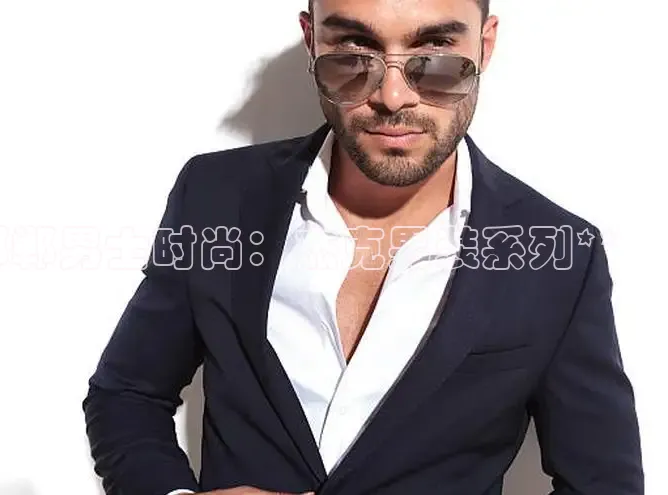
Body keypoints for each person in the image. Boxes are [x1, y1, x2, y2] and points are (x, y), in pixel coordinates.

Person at [82, 0, 644, 494]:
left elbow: (603, 484)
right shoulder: (216, 197)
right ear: (311, 42)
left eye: (436, 54)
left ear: (485, 45)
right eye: (353, 52)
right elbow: (126, 393)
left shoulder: (559, 253)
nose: (393, 97)